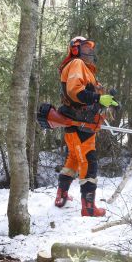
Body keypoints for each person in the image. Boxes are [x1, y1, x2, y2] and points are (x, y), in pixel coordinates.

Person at [54, 36, 118, 217]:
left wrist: (106, 100)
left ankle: (61, 195)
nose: (89, 51)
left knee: (73, 160)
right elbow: (75, 92)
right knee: (89, 161)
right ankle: (89, 207)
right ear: (75, 49)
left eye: (91, 48)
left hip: (84, 123)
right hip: (79, 123)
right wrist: (98, 98)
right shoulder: (76, 64)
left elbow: (92, 95)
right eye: (85, 47)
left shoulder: (86, 70)